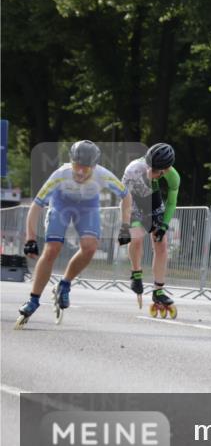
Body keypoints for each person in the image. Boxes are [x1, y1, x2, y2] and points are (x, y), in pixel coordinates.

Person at [15, 141, 132, 329]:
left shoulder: (103, 175)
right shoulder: (60, 174)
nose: (80, 172)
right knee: (52, 249)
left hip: (88, 208)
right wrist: (30, 238)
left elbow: (126, 196)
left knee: (90, 247)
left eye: (86, 168)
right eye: (77, 166)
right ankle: (33, 300)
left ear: (94, 166)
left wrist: (125, 226)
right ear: (71, 162)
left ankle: (65, 284)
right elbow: (36, 205)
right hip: (61, 205)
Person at [121, 143, 181, 317]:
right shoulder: (133, 170)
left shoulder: (173, 177)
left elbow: (171, 202)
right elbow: (125, 201)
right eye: (150, 168)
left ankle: (158, 290)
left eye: (156, 171)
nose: (151, 172)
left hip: (153, 198)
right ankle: (136, 273)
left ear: (166, 170)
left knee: (161, 243)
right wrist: (125, 225)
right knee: (137, 237)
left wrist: (164, 225)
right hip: (134, 200)